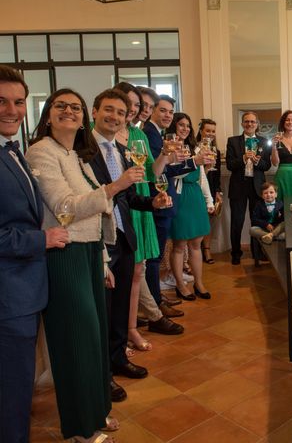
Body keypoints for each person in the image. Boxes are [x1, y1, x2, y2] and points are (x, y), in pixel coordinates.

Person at [27, 88, 126, 442]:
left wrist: (102, 261)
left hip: (87, 254)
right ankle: (80, 431)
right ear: (48, 113)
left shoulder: (78, 156)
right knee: (75, 344)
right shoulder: (40, 152)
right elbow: (66, 208)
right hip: (64, 256)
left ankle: (96, 413)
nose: (68, 111)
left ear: (83, 116)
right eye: (60, 106)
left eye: (75, 107)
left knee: (93, 340)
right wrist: (115, 187)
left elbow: (94, 218)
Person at [0, 65, 68, 443]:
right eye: (2, 101)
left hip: (24, 288)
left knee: (18, 388)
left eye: (19, 102)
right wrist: (40, 241)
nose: (11, 110)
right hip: (8, 295)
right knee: (11, 394)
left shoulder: (12, 150)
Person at [89, 89, 171, 388]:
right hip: (100, 238)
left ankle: (119, 358)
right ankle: (103, 375)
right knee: (105, 307)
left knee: (123, 301)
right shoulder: (84, 151)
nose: (114, 117)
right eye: (108, 110)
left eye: (121, 113)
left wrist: (153, 203)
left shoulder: (122, 151)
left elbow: (129, 197)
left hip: (125, 235)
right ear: (95, 111)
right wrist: (119, 184)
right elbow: (96, 196)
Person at [113, 82, 181, 355]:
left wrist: (165, 155)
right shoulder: (107, 136)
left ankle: (131, 327)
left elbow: (153, 172)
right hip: (121, 203)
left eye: (138, 106)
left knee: (138, 269)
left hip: (141, 199)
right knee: (125, 271)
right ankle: (130, 327)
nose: (134, 110)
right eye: (130, 104)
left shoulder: (138, 137)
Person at [142, 94, 196, 303]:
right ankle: (156, 303)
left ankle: (157, 299)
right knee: (154, 257)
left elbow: (167, 168)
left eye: (170, 111)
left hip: (164, 198)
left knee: (156, 255)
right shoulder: (150, 134)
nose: (167, 115)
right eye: (162, 110)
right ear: (153, 110)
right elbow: (160, 172)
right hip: (158, 199)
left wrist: (191, 162)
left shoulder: (158, 134)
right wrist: (192, 162)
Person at [168, 112, 214, 300]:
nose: (185, 128)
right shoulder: (169, 148)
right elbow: (172, 174)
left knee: (196, 242)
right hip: (180, 195)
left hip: (195, 195)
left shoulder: (195, 148)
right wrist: (192, 162)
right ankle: (179, 283)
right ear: (173, 127)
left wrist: (209, 200)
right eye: (181, 125)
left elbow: (202, 177)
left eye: (188, 125)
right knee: (179, 244)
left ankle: (198, 282)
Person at [226, 111, 271, 265]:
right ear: (242, 123)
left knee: (257, 222)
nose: (249, 124)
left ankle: (257, 253)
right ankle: (236, 254)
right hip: (238, 186)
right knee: (236, 222)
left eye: (252, 122)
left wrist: (258, 162)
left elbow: (267, 165)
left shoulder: (264, 142)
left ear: (257, 124)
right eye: (246, 121)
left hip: (257, 187)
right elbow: (230, 165)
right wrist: (244, 158)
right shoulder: (232, 141)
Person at [197, 118, 222, 265]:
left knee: (208, 220)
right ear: (201, 131)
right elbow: (197, 174)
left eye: (213, 131)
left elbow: (216, 174)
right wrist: (205, 168)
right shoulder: (194, 149)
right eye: (208, 130)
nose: (210, 134)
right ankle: (194, 250)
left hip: (211, 188)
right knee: (196, 220)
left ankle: (206, 249)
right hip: (196, 188)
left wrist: (218, 191)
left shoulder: (215, 151)